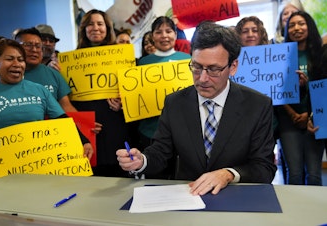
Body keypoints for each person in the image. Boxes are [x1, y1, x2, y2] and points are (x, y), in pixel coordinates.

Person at [117, 21, 277, 195]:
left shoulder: (257, 105)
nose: (202, 78)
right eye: (196, 67)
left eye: (214, 70)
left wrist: (228, 174)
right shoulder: (174, 103)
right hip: (187, 198)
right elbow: (161, 152)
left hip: (236, 199)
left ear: (233, 67)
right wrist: (142, 161)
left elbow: (264, 167)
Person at [0, 38, 93, 159]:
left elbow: (62, 120)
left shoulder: (40, 90)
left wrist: (84, 141)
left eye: (21, 60)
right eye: (9, 59)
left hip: (37, 164)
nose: (16, 64)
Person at [74, 9, 131, 177]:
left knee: (119, 176)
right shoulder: (72, 59)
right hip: (89, 128)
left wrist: (122, 103)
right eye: (90, 24)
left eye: (100, 24)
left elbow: (132, 90)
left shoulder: (122, 56)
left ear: (107, 28)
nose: (95, 28)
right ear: (84, 29)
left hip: (115, 123)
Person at [277, 11, 325, 185]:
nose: (296, 28)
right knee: (294, 173)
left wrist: (309, 115)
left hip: (316, 120)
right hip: (288, 121)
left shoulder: (321, 55)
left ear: (309, 26)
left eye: (301, 24)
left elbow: (323, 89)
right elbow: (275, 90)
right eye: (291, 25)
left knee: (314, 174)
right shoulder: (280, 56)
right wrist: (293, 114)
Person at [137, 16, 191, 150]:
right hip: (150, 130)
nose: (164, 36)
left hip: (182, 130)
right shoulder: (143, 62)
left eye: (168, 31)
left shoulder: (187, 60)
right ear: (153, 36)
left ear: (175, 34)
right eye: (158, 32)